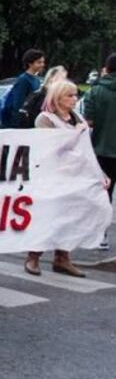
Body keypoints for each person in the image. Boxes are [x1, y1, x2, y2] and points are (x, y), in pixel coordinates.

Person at [25, 80, 98, 277]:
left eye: (75, 95)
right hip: (51, 174)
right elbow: (49, 147)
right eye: (70, 95)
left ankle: (63, 257)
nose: (75, 99)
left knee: (70, 216)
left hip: (74, 175)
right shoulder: (45, 118)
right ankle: (34, 256)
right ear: (58, 98)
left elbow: (85, 150)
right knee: (48, 215)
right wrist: (75, 134)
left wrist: (100, 173)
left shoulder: (76, 117)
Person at [84, 52, 116, 249]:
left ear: (107, 68)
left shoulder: (95, 92)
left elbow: (89, 121)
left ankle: (100, 234)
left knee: (104, 194)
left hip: (101, 149)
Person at [0, 48, 46, 127]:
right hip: (21, 122)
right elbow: (18, 103)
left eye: (43, 62)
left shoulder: (37, 80)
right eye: (39, 62)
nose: (42, 65)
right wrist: (19, 123)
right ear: (30, 64)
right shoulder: (23, 80)